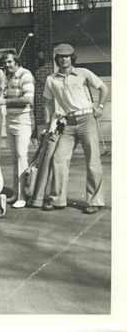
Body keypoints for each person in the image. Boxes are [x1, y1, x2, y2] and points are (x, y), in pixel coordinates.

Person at [43, 43, 109, 214]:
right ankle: (57, 199)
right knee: (59, 159)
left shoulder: (83, 73)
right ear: (56, 59)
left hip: (87, 119)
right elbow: (49, 103)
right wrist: (48, 125)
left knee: (93, 160)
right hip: (67, 122)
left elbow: (103, 88)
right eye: (60, 57)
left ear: (72, 58)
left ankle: (94, 201)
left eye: (67, 56)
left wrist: (100, 106)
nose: (64, 59)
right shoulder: (51, 79)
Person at [2, 50, 35, 209]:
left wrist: (6, 101)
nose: (6, 65)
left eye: (9, 62)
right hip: (10, 119)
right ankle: (16, 192)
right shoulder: (7, 77)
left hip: (23, 120)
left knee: (22, 156)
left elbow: (28, 99)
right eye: (5, 62)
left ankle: (23, 195)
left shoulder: (26, 75)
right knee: (15, 158)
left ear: (16, 61)